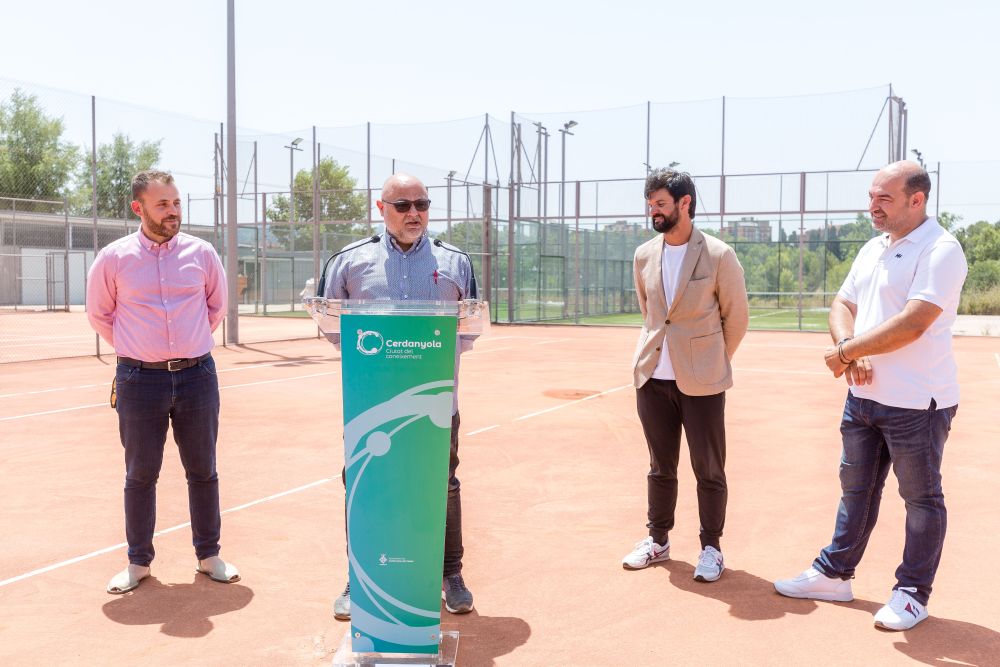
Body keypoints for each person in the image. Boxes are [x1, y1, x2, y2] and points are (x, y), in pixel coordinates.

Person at [774, 161, 968, 631]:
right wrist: (850, 349)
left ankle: (911, 592)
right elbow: (844, 303)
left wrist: (847, 350)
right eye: (871, 196)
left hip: (918, 403)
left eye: (884, 197)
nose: (872, 206)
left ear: (916, 200)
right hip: (863, 397)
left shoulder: (941, 250)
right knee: (855, 490)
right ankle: (834, 574)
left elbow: (915, 321)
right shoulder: (873, 248)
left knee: (921, 498)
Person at [321, 173, 477, 619]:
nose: (414, 214)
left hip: (436, 400)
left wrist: (422, 357)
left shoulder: (456, 262)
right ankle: (359, 580)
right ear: (381, 208)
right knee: (365, 484)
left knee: (443, 485)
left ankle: (451, 575)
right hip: (370, 403)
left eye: (422, 204)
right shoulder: (350, 261)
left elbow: (466, 331)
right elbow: (332, 326)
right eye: (403, 205)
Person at [86, 170, 239, 594]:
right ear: (139, 208)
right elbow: (99, 314)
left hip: (197, 376)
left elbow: (216, 306)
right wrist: (139, 350)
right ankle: (138, 563)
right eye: (162, 204)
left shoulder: (202, 253)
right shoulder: (114, 258)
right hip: (138, 380)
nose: (173, 211)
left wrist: (185, 348)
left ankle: (208, 556)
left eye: (175, 203)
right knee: (140, 474)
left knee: (203, 471)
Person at [622, 168, 749, 582]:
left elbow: (737, 318)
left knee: (709, 468)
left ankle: (711, 547)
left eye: (660, 204)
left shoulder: (718, 255)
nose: (653, 212)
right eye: (650, 204)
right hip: (653, 379)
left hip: (703, 381)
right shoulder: (643, 255)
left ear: (685, 203)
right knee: (661, 466)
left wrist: (710, 361)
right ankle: (657, 540)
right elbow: (651, 314)